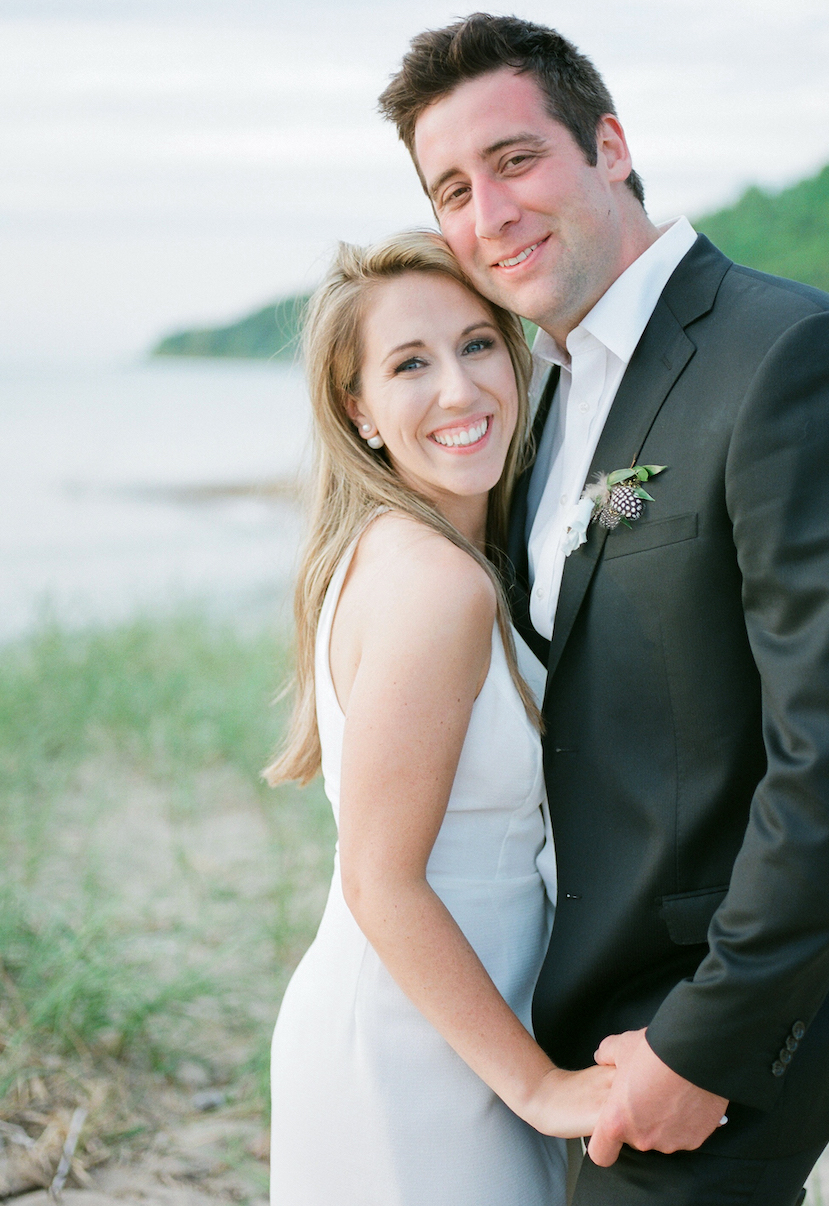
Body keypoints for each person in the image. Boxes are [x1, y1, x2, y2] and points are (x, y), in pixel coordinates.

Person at [377, 14, 829, 1205]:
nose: (488, 214)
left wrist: (707, 1040)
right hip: (567, 1000)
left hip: (703, 1020)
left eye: (515, 160)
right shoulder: (534, 401)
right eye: (451, 188)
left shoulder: (795, 360)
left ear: (608, 144)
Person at [265, 231, 612, 1206]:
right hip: (410, 1058)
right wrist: (541, 1087)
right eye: (409, 364)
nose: (459, 390)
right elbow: (381, 878)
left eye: (477, 344)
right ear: (359, 409)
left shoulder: (408, 551)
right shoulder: (432, 585)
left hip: (450, 1028)